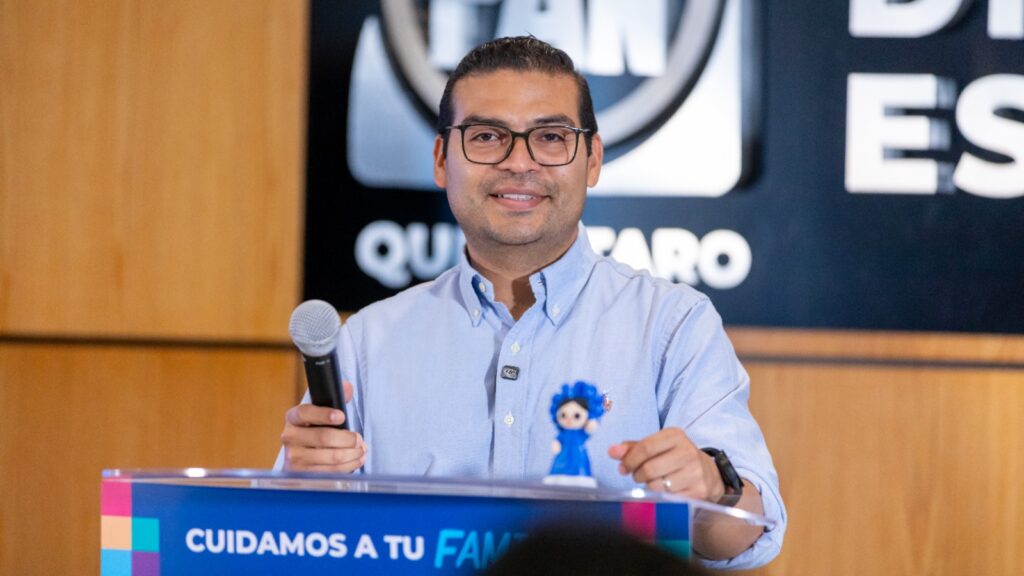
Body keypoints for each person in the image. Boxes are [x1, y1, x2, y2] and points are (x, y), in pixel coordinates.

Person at [277, 36, 785, 568]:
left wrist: (710, 488)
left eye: (550, 137)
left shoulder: (673, 324)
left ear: (592, 159)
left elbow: (750, 537)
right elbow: (304, 544)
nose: (519, 162)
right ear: (442, 159)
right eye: (487, 136)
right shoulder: (367, 340)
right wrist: (302, 485)